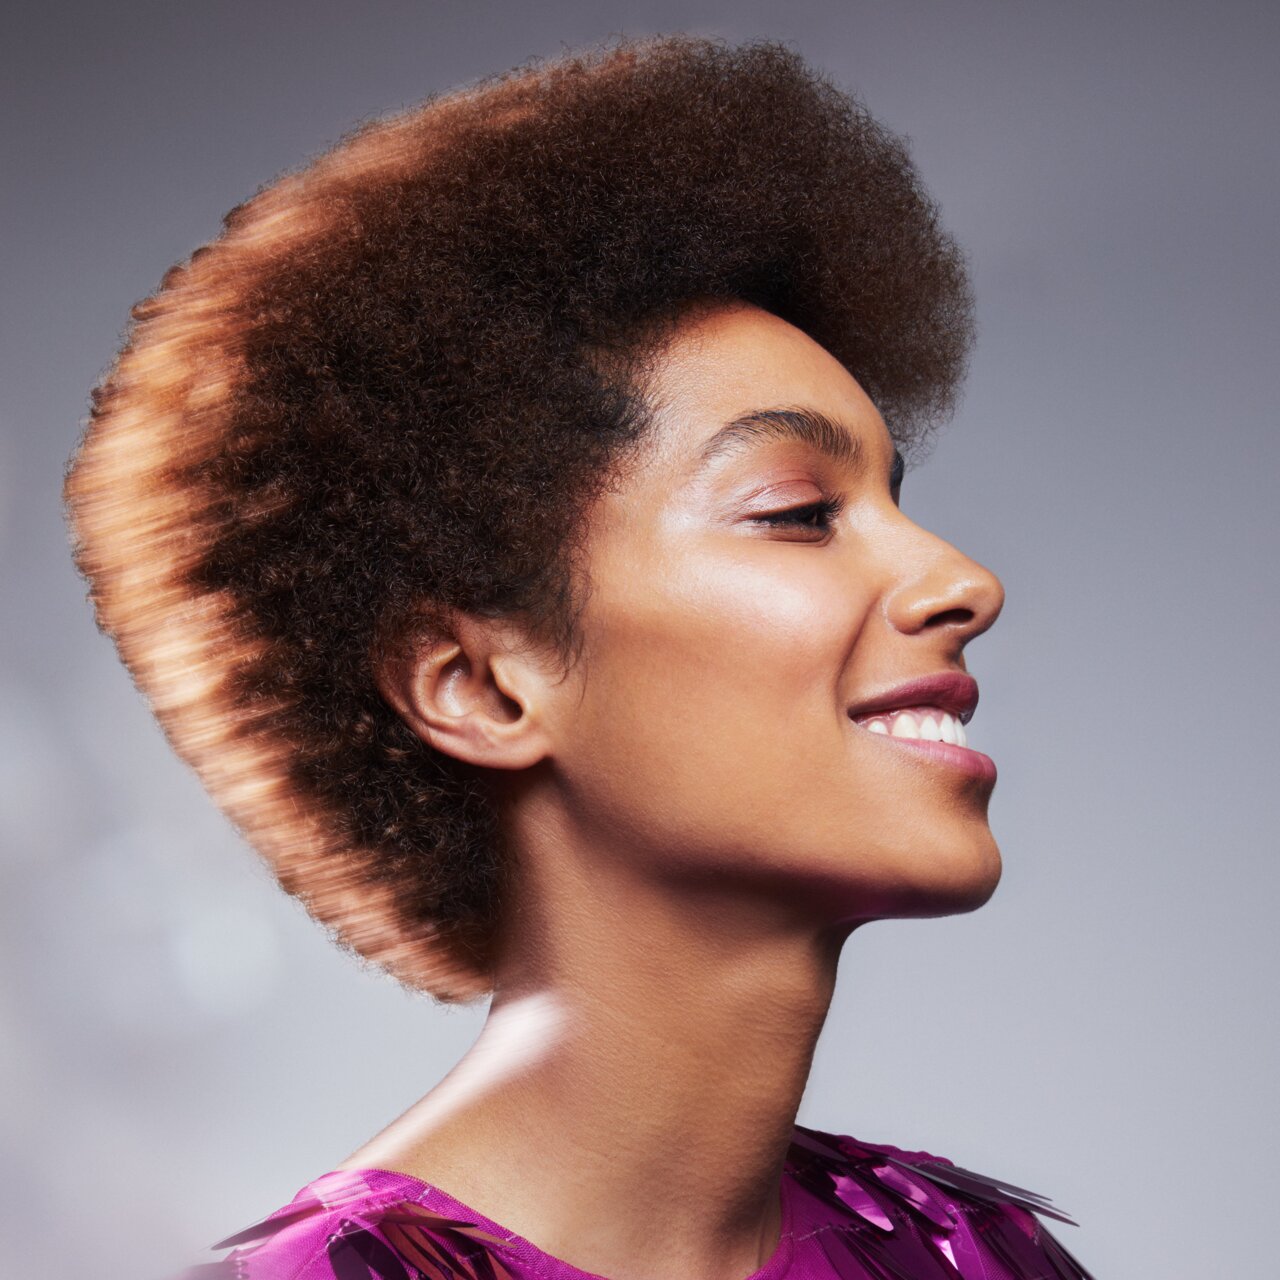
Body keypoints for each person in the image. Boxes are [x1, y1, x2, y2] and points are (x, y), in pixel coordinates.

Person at [64, 35, 1095, 1280]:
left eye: (893, 494)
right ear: (482, 685)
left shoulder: (973, 1254)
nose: (960, 581)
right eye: (794, 512)